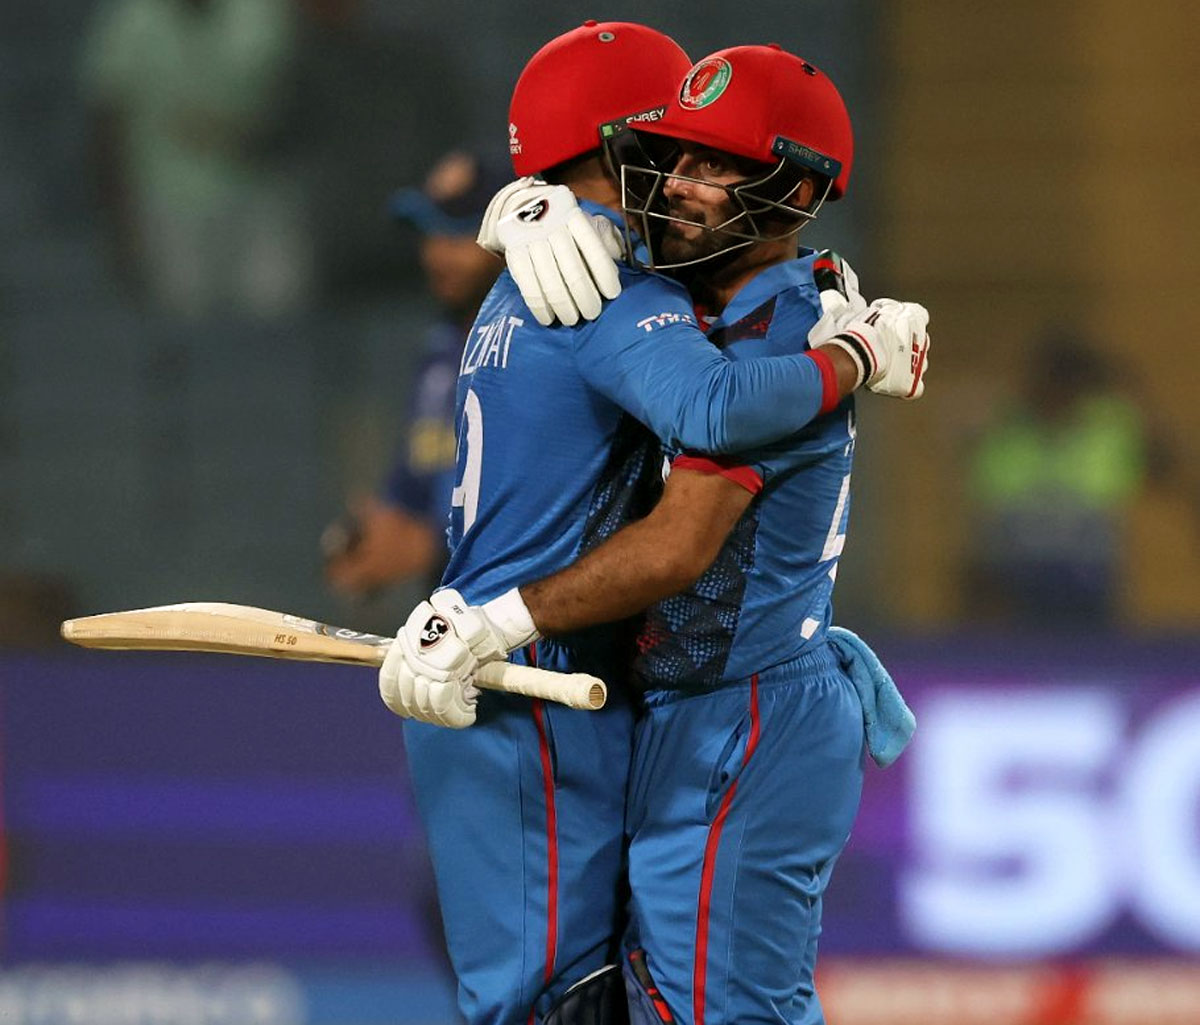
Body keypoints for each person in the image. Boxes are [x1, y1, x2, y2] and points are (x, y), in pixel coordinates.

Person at [381, 41, 927, 1025]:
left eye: (713, 162)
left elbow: (686, 523)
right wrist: (520, 206)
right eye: (667, 151)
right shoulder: (628, 282)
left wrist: (849, 345)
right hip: (639, 700)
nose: (677, 181)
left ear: (790, 187)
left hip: (729, 706)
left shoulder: (726, 310)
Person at [323, 150, 506, 596]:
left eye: (458, 230)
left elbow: (563, 513)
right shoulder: (441, 350)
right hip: (454, 623)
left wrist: (427, 548)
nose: (435, 252)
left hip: (536, 636)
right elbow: (411, 494)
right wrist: (373, 536)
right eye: (427, 231)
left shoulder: (547, 344)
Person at [82, 0, 307, 317]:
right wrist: (120, 224)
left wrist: (246, 136)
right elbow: (106, 126)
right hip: (167, 203)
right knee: (184, 328)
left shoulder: (264, 12)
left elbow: (303, 96)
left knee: (278, 318)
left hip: (260, 196)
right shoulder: (131, 21)